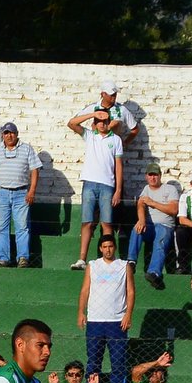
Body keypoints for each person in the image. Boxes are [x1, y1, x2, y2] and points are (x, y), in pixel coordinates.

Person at [77, 233, 133, 383]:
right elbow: (85, 290)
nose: (108, 250)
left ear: (114, 247)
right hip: (95, 321)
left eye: (110, 246)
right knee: (93, 360)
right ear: (100, 248)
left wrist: (128, 314)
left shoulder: (124, 266)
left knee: (118, 361)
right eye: (104, 247)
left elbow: (130, 291)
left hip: (117, 321)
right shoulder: (93, 266)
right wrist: (81, 312)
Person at [66, 108, 123, 269]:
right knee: (87, 222)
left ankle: (109, 259)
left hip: (107, 185)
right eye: (99, 121)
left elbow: (118, 167)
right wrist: (93, 114)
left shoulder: (116, 140)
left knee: (107, 223)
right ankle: (82, 259)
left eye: (105, 121)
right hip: (89, 183)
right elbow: (71, 123)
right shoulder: (90, 136)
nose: (102, 124)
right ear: (95, 123)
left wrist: (118, 190)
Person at [0, 121, 41, 268]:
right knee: (1, 227)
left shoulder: (27, 149)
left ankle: (23, 258)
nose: (9, 136)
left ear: (17, 134)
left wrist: (32, 190)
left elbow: (34, 170)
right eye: (6, 133)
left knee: (22, 227)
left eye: (12, 132)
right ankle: (3, 258)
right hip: (0, 192)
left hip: (21, 193)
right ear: (2, 135)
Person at [127, 162, 180, 289]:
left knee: (160, 242)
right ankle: (131, 262)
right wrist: (141, 220)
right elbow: (140, 204)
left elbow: (173, 210)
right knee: (137, 229)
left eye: (155, 175)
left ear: (160, 176)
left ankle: (154, 272)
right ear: (146, 176)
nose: (152, 178)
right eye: (150, 175)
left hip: (165, 225)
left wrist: (153, 203)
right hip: (149, 226)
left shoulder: (170, 189)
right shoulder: (146, 189)